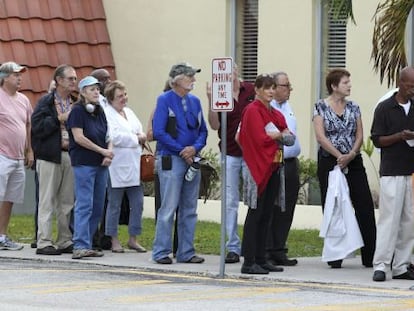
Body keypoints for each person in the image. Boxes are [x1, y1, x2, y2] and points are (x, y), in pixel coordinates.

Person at [312, 68, 376, 269]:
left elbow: (359, 134)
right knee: (333, 206)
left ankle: (370, 255)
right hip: (330, 161)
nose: (349, 85)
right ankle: (335, 256)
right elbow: (320, 137)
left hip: (353, 160)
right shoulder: (320, 107)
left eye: (349, 82)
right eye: (345, 82)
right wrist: (339, 156)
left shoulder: (354, 107)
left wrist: (350, 155)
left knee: (364, 205)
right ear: (334, 86)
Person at [152, 62, 208, 264]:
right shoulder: (164, 100)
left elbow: (203, 131)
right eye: (189, 76)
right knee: (168, 207)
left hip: (191, 158)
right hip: (171, 158)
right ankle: (161, 251)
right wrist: (181, 150)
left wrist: (194, 148)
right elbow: (159, 131)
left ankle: (186, 251)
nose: (193, 80)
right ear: (176, 80)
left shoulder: (195, 101)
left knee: (189, 208)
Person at [238, 74, 294, 274]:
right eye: (267, 88)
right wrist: (280, 135)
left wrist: (279, 135)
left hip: (273, 166)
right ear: (257, 90)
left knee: (267, 214)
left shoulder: (274, 112)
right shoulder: (252, 110)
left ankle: (262, 258)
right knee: (256, 213)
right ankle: (249, 260)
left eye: (273, 88)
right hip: (256, 167)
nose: (271, 91)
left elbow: (289, 136)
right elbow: (260, 138)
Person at [206, 64, 255, 264]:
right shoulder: (220, 93)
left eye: (231, 71)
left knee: (253, 198)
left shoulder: (250, 90)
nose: (228, 76)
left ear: (236, 72)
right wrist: (210, 100)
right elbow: (214, 125)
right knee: (230, 201)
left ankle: (253, 244)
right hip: (230, 153)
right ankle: (232, 246)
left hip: (251, 153)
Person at [370, 66, 414, 282]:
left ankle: (401, 266)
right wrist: (399, 136)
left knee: (409, 221)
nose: (413, 89)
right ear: (401, 82)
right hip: (392, 171)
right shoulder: (385, 108)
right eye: (410, 85)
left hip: (411, 172)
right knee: (389, 220)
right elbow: (377, 139)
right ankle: (381, 264)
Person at [31, 65, 78, 255]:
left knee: (67, 201)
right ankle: (44, 241)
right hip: (50, 156)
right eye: (70, 78)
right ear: (58, 80)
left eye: (75, 79)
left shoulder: (75, 103)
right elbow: (37, 128)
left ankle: (65, 239)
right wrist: (59, 119)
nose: (74, 82)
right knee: (47, 199)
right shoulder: (46, 102)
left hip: (69, 155)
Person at [66, 76, 113, 259]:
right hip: (84, 162)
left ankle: (88, 242)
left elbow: (109, 135)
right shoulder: (77, 111)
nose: (96, 92)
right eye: (92, 89)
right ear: (83, 92)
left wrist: (108, 153)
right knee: (84, 204)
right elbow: (79, 138)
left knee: (97, 205)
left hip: (100, 163)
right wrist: (102, 150)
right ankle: (80, 244)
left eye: (97, 89)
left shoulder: (99, 110)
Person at [103, 80, 147, 253]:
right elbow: (115, 136)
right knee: (114, 204)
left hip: (134, 164)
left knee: (138, 203)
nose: (124, 99)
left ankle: (133, 237)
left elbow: (139, 129)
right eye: (119, 96)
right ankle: (113, 238)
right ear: (111, 99)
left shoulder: (129, 112)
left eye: (125, 94)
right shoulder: (107, 114)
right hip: (117, 165)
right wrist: (136, 138)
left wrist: (140, 135)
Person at [266, 72, 300, 266]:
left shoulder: (288, 106)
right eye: (285, 86)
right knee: (273, 208)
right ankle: (268, 250)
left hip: (290, 162)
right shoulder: (267, 109)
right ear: (274, 87)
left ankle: (279, 249)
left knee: (287, 209)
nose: (289, 89)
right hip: (274, 163)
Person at [0, 61, 34, 251]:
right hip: (2, 155)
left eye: (20, 74)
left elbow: (28, 124)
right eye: (15, 75)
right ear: (4, 78)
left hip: (18, 158)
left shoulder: (24, 100)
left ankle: (2, 236)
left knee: (9, 199)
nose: (20, 78)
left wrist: (29, 149)